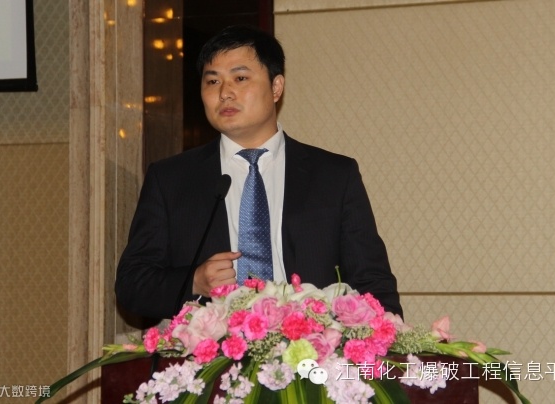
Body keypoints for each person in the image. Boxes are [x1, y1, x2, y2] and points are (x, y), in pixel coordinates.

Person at [115, 25, 403, 320]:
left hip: (312, 344)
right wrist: (193, 281)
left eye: (240, 78)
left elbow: (373, 285)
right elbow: (131, 286)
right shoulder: (171, 179)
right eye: (212, 81)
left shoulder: (334, 176)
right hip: (210, 347)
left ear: (276, 87)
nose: (225, 93)